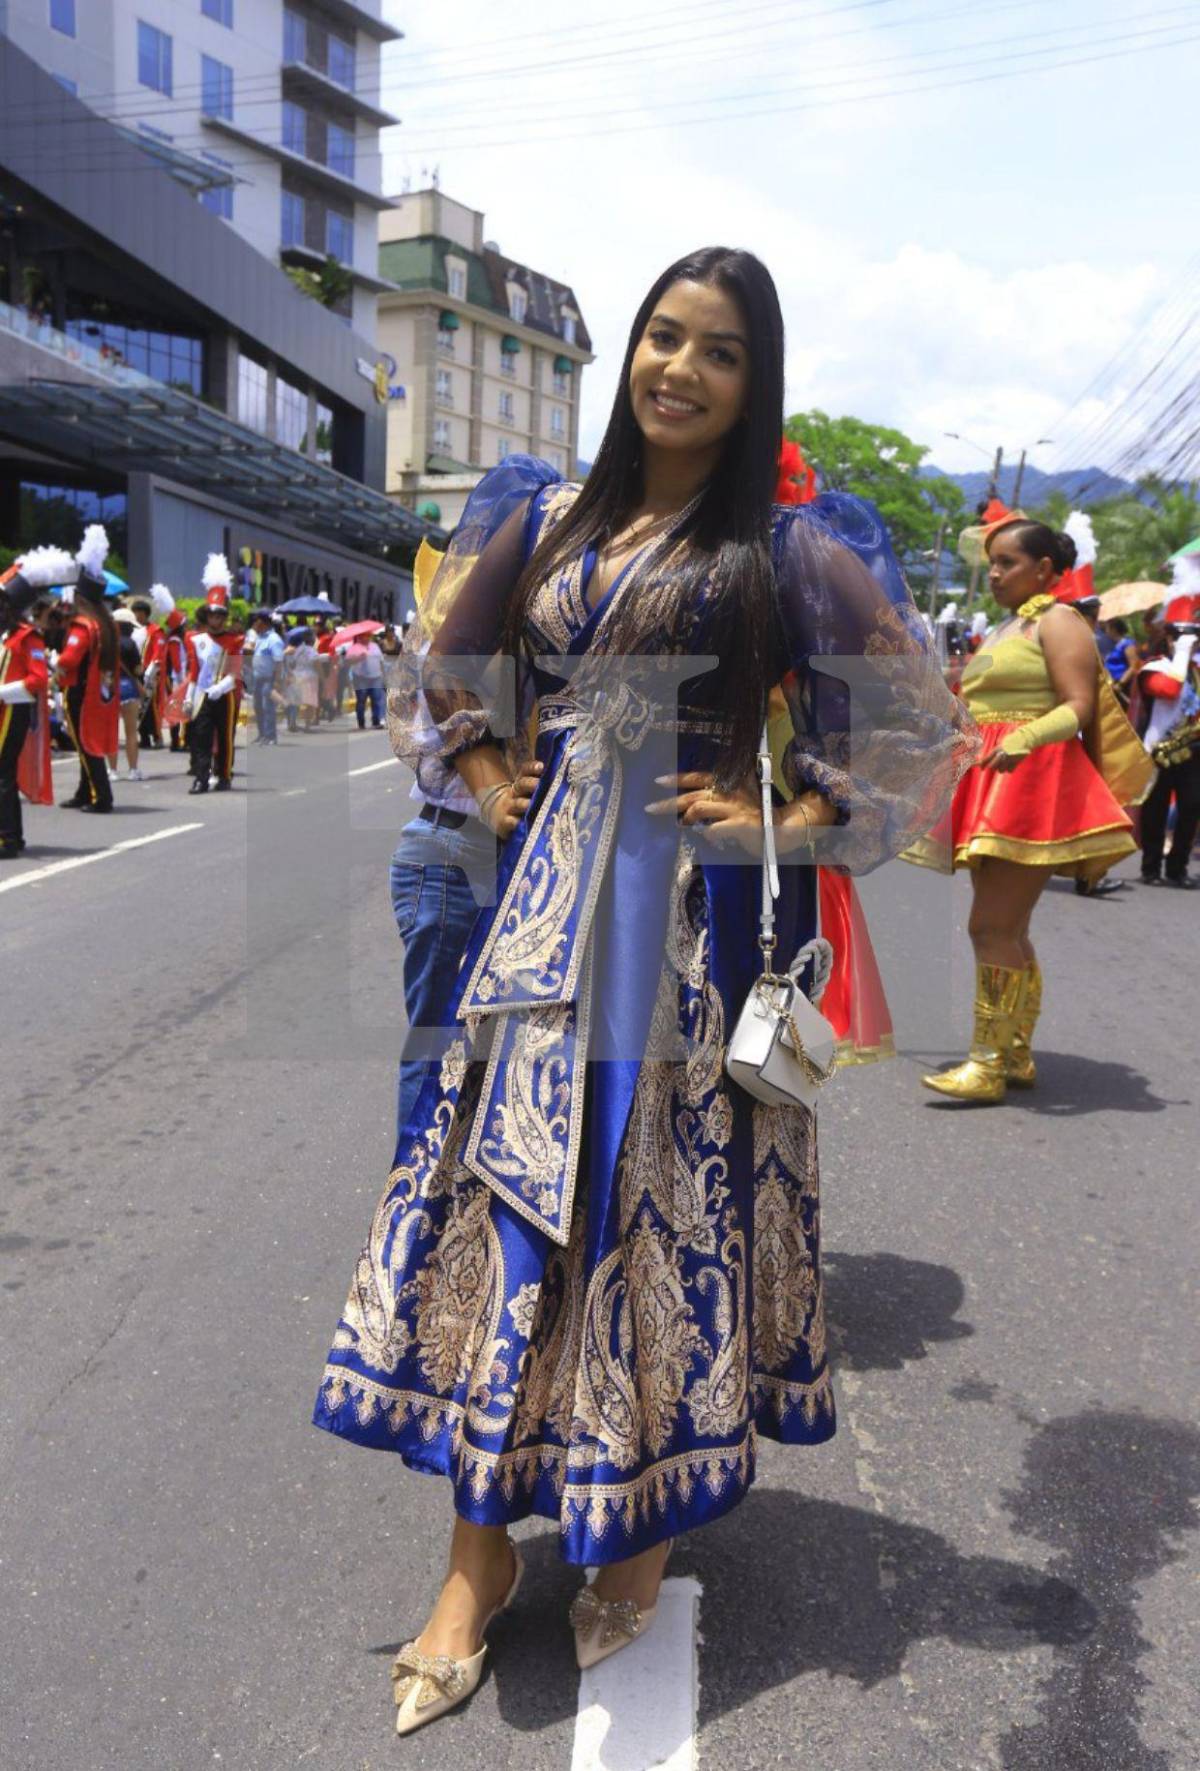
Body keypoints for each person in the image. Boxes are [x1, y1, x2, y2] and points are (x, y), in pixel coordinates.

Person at [312, 246, 973, 1737]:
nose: (680, 367)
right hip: (539, 923)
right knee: (504, 1201)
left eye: (719, 351)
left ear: (755, 382)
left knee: (659, 1214)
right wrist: (494, 773)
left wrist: (793, 813)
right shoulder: (544, 513)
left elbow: (915, 722)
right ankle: (475, 1566)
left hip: (692, 933)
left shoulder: (786, 551)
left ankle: (640, 1532)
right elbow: (451, 659)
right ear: (632, 351)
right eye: (664, 336)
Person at [904, 517, 1152, 1102]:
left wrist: (1025, 738)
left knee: (989, 927)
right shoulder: (1007, 627)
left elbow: (1078, 705)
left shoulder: (1059, 621)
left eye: (1007, 562)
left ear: (1043, 569)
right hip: (990, 780)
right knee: (1009, 927)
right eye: (991, 562)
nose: (994, 573)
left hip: (1032, 783)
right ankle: (1014, 1053)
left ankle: (987, 1064)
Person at [0, 550, 63, 857]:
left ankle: (8, 838)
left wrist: (2, 692)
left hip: (13, 711)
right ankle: (12, 835)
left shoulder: (28, 637)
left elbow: (38, 679)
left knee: (2, 774)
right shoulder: (5, 636)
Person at [1136, 594, 1200, 888]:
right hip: (1159, 751)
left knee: (1191, 808)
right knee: (1155, 811)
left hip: (1193, 751)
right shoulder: (1154, 667)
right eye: (1183, 637)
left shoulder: (1197, 670)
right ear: (1169, 639)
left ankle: (1177, 868)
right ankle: (1151, 868)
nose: (1191, 643)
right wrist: (1182, 653)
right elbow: (1170, 689)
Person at [56, 526, 119, 814]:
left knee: (84, 743)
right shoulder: (106, 623)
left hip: (80, 689)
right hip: (97, 689)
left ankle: (101, 796)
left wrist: (53, 662)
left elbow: (69, 659)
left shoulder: (82, 625)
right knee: (87, 740)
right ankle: (85, 792)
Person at [185, 554, 244, 793]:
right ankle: (201, 778)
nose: (215, 619)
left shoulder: (235, 640)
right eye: (212, 615)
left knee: (225, 737)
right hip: (202, 695)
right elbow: (194, 672)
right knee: (201, 737)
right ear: (206, 616)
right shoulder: (196, 640)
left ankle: (224, 775)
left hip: (225, 695)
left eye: (219, 615)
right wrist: (189, 697)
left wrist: (220, 688)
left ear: (224, 618)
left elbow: (235, 672)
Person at [110, 607, 145, 781]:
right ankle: (133, 770)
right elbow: (138, 669)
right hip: (129, 687)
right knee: (131, 732)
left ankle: (112, 770)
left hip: (110, 687)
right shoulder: (130, 644)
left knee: (112, 732)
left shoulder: (106, 642)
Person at [248, 611, 285, 745]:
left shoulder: (274, 639)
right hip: (257, 679)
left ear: (262, 623)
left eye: (256, 622)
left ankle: (271, 736)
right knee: (258, 707)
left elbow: (278, 661)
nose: (254, 625)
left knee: (267, 708)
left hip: (269, 679)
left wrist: (277, 681)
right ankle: (262, 734)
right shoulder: (260, 638)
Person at [349, 634, 386, 728]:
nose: (366, 638)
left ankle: (376, 722)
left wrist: (383, 674)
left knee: (376, 699)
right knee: (361, 700)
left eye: (368, 636)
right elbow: (348, 661)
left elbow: (381, 660)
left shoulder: (375, 646)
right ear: (359, 637)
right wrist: (359, 658)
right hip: (361, 678)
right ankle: (361, 722)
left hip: (376, 677)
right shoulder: (354, 648)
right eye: (364, 636)